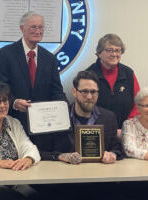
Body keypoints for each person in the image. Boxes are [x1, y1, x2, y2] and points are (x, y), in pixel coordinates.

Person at [30, 71, 125, 200]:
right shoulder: (56, 117)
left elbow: (118, 149)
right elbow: (39, 150)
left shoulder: (109, 117)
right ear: (74, 92)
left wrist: (113, 155)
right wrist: (60, 156)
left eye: (93, 92)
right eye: (84, 91)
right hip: (64, 183)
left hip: (98, 182)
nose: (90, 96)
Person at [0, 11, 67, 140]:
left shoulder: (49, 58)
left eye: (41, 27)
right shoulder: (4, 55)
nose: (38, 31)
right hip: (12, 123)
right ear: (22, 28)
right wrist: (14, 102)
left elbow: (56, 91)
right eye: (33, 27)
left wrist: (63, 111)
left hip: (43, 129)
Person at [87, 33, 140, 132]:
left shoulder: (128, 73)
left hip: (126, 131)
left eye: (117, 50)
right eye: (109, 50)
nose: (114, 54)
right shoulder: (88, 75)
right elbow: (84, 106)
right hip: (97, 131)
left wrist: (126, 128)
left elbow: (138, 103)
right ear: (99, 53)